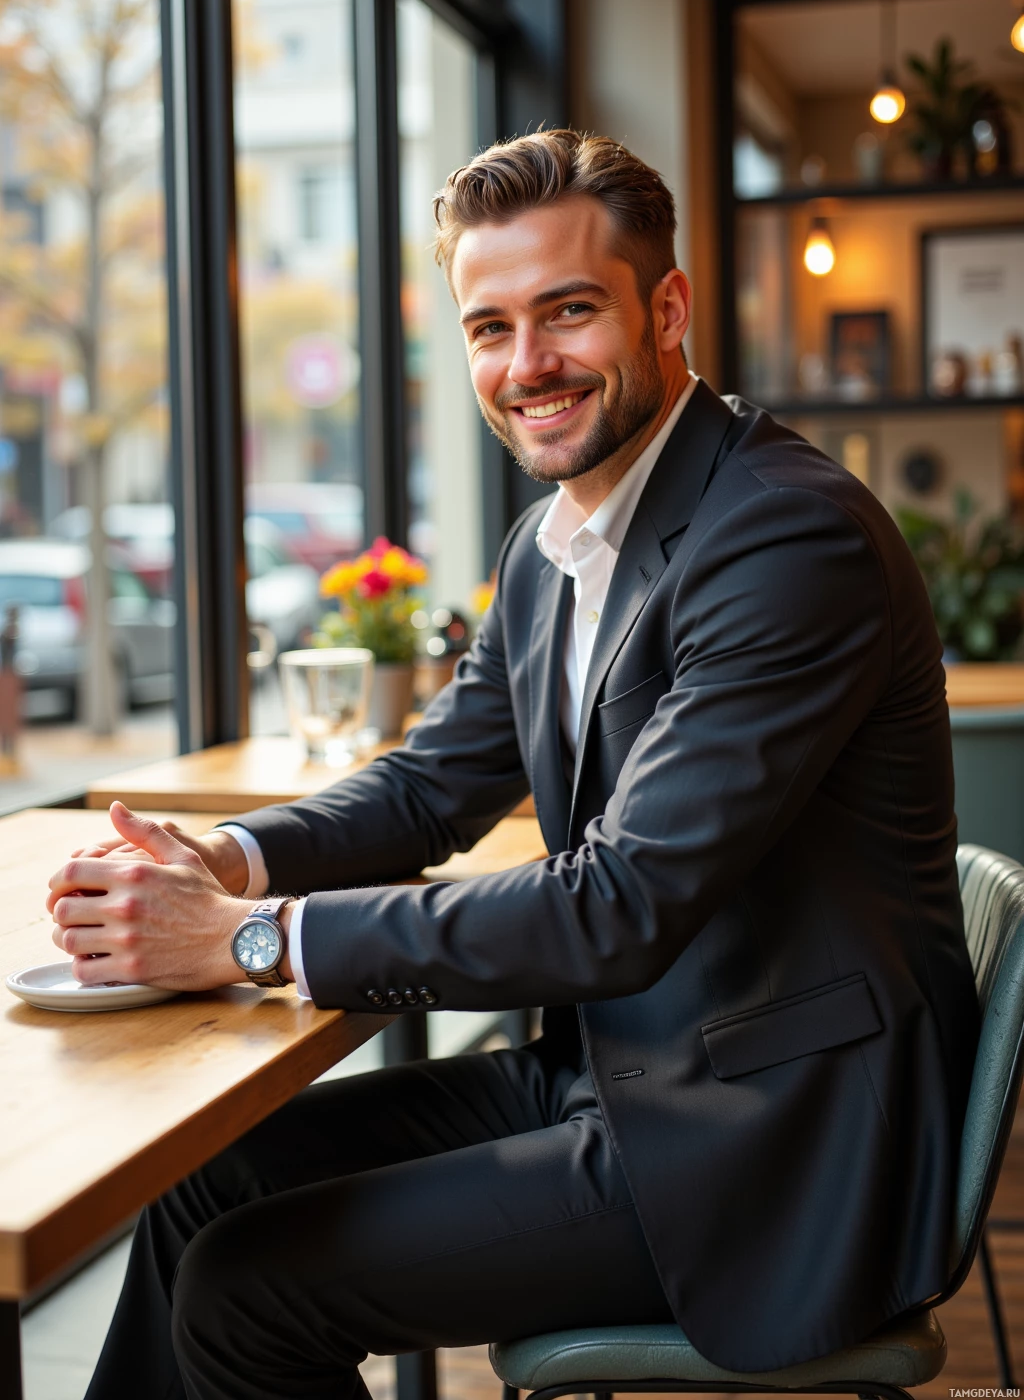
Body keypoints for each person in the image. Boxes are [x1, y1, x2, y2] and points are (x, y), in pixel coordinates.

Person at [50, 130, 979, 1400]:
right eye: (489, 327)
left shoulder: (783, 538)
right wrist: (230, 855)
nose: (525, 365)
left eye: (567, 312)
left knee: (242, 1289)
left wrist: (249, 940)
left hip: (772, 1145)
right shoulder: (556, 542)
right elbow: (435, 782)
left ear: (666, 309)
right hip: (619, 1079)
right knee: (202, 1187)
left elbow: (618, 908)